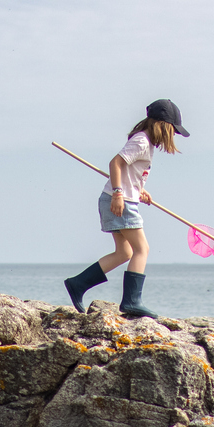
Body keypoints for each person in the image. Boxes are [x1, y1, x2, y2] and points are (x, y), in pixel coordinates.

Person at [64, 99, 188, 318]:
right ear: (162, 125)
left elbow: (129, 172)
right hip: (119, 201)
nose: (174, 136)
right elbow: (115, 163)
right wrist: (120, 193)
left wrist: (139, 190)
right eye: (173, 130)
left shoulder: (145, 143)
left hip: (120, 198)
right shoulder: (141, 141)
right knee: (142, 249)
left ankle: (78, 284)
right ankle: (131, 301)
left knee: (125, 252)